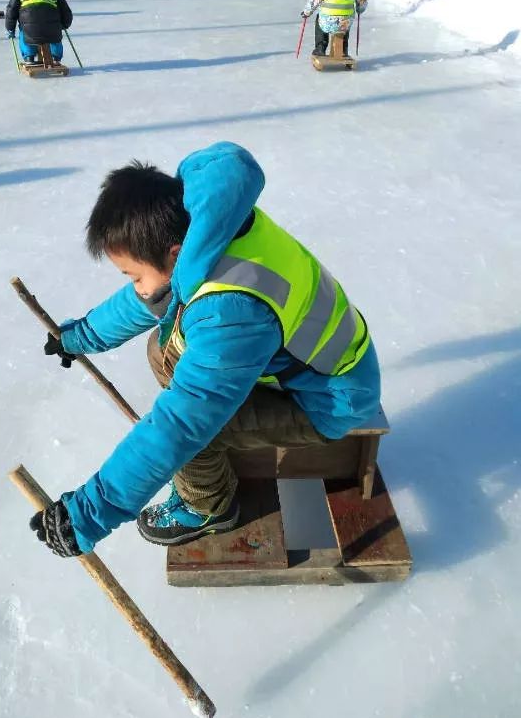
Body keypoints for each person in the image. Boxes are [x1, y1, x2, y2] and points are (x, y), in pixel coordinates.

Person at [28, 142, 381, 557]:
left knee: (198, 433)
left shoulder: (231, 311)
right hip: (306, 365)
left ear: (174, 255)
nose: (136, 286)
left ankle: (208, 507)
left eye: (133, 275)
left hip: (330, 400)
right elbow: (154, 295)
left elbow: (183, 424)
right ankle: (212, 472)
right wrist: (80, 336)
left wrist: (89, 512)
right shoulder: (207, 229)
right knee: (164, 351)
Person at [5, 0, 72, 65]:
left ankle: (29, 56)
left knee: (24, 29)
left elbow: (12, 9)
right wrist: (64, 24)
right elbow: (65, 10)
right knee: (54, 29)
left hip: (29, 27)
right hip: (52, 27)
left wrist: (10, 28)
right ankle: (55, 57)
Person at [301, 0, 367, 58]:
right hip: (346, 22)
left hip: (327, 21)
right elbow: (362, 1)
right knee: (345, 17)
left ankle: (320, 47)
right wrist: (360, 9)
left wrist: (307, 12)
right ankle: (343, 50)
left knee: (319, 17)